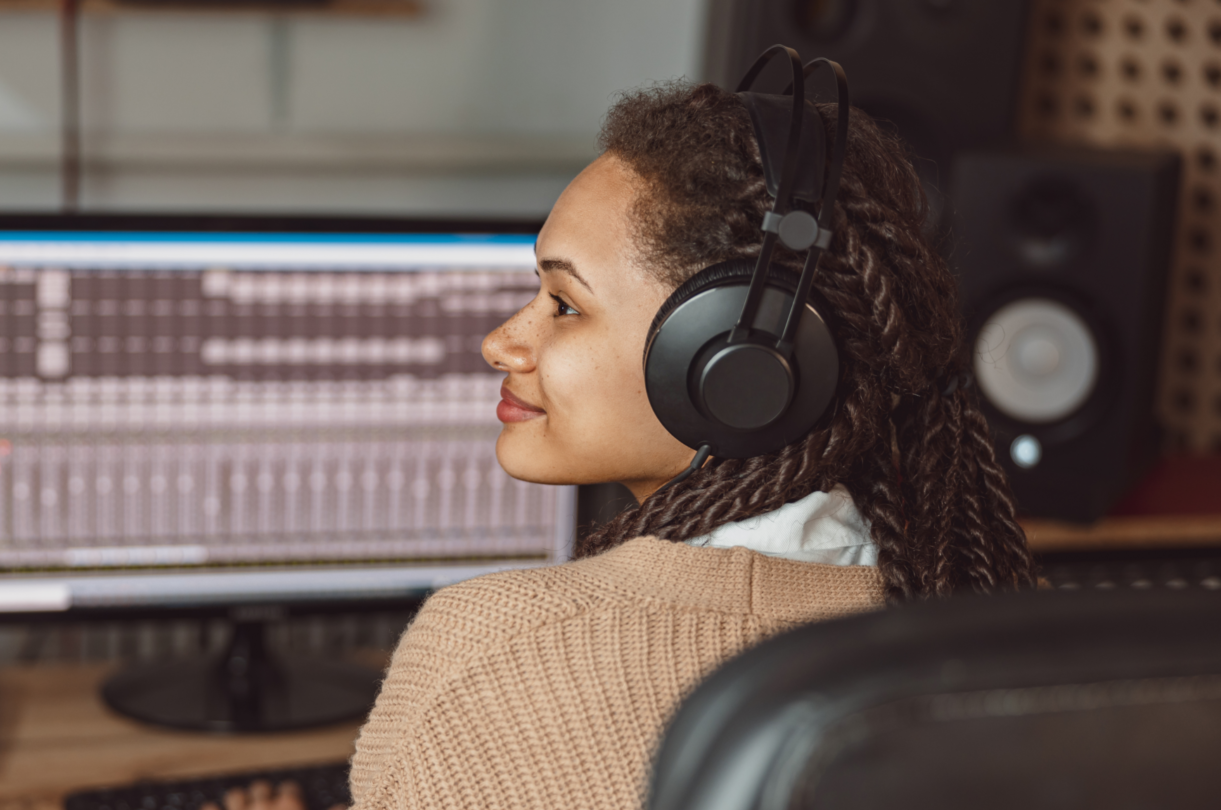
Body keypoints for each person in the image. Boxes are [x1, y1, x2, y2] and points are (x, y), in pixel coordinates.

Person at [214, 77, 1036, 810]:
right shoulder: (970, 629)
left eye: (563, 304)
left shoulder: (492, 648)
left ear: (730, 363)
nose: (502, 342)